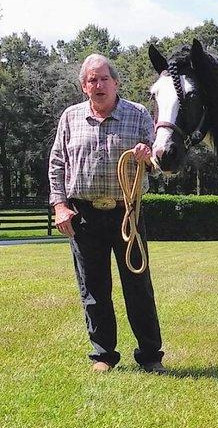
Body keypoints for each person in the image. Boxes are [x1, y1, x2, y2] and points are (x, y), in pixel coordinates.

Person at [48, 54, 165, 373]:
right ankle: (103, 355)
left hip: (127, 213)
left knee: (138, 286)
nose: (98, 85)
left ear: (116, 83)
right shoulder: (70, 118)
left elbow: (158, 161)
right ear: (83, 86)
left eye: (103, 79)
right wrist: (60, 205)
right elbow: (57, 163)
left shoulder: (138, 113)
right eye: (91, 80)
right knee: (93, 288)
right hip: (83, 216)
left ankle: (150, 355)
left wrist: (147, 156)